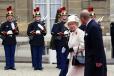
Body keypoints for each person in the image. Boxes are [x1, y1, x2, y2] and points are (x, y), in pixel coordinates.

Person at [80, 10, 107, 76]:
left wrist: (99, 60)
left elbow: (98, 44)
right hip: (91, 59)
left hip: (95, 60)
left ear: (83, 18)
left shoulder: (93, 27)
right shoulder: (89, 25)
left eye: (80, 19)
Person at [0, 6, 19, 70]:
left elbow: (17, 33)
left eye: (11, 16)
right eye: (8, 16)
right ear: (7, 17)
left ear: (12, 17)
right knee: (7, 54)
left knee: (12, 54)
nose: (10, 17)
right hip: (6, 41)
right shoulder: (4, 24)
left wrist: (14, 30)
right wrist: (6, 32)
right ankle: (7, 65)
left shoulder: (15, 24)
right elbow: (0, 32)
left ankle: (12, 65)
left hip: (13, 41)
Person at [51, 7, 69, 71]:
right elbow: (53, 32)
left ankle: (64, 65)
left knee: (66, 54)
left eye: (65, 15)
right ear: (61, 16)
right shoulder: (57, 24)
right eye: (63, 15)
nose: (64, 17)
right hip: (59, 41)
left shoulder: (68, 24)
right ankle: (60, 65)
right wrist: (59, 33)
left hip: (67, 42)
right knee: (59, 54)